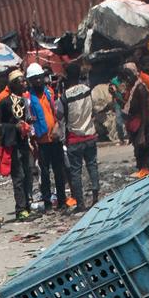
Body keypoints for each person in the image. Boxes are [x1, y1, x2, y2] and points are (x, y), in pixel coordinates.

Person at [26, 64, 70, 213]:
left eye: (39, 78)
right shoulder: (29, 99)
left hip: (54, 139)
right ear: (31, 81)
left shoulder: (49, 92)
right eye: (34, 79)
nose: (38, 81)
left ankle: (62, 201)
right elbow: (29, 120)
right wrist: (32, 141)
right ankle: (48, 203)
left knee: (59, 171)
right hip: (41, 142)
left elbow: (56, 112)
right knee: (44, 174)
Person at [0, 70, 35, 221]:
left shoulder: (24, 100)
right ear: (14, 84)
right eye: (22, 81)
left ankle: (27, 205)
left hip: (24, 142)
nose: (25, 83)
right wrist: (12, 127)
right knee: (18, 176)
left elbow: (25, 118)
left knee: (28, 173)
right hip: (12, 144)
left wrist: (28, 124)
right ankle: (20, 210)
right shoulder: (4, 102)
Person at [61, 62, 101, 211]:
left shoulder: (65, 96)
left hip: (74, 139)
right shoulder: (87, 90)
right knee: (92, 165)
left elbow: (60, 115)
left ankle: (81, 203)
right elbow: (94, 108)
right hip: (90, 135)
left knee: (76, 172)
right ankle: (96, 196)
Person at [91, 74, 116, 143]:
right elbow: (96, 108)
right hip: (102, 116)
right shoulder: (97, 90)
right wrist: (107, 106)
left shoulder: (117, 88)